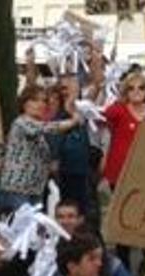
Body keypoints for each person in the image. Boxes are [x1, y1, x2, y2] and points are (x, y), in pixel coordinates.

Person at [0, 84, 80, 209]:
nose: (40, 104)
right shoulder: (21, 122)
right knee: (23, 227)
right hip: (17, 189)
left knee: (34, 227)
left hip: (34, 190)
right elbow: (49, 127)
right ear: (24, 104)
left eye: (43, 101)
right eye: (35, 100)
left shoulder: (37, 127)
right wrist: (73, 121)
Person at [55, 199, 137, 276]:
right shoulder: (46, 254)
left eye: (71, 216)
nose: (65, 222)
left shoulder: (107, 259)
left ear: (81, 219)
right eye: (60, 217)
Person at [49, 74, 94, 216]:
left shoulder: (85, 109)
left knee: (86, 209)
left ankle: (86, 235)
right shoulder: (58, 114)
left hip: (86, 169)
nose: (68, 91)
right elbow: (55, 135)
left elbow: (97, 84)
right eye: (64, 88)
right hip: (67, 170)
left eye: (72, 86)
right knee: (69, 207)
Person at [101, 72, 145, 190]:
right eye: (131, 88)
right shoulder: (118, 110)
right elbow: (99, 118)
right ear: (126, 92)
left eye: (141, 88)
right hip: (119, 171)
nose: (136, 91)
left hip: (144, 171)